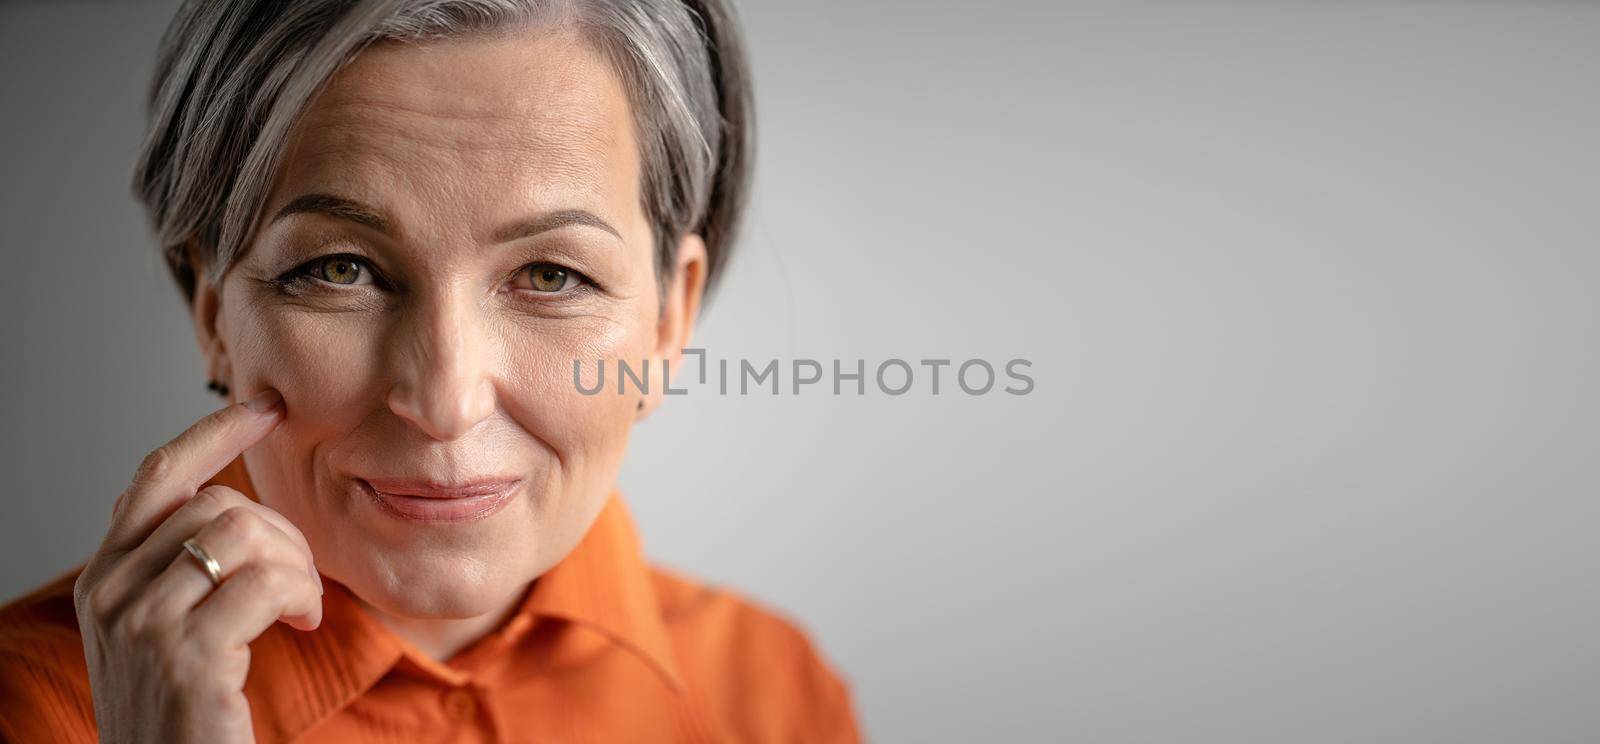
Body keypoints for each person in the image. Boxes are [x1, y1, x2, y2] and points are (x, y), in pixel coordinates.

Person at [0, 1, 862, 741]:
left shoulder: (774, 696)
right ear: (214, 312)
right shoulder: (30, 706)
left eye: (551, 276)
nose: (444, 404)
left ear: (669, 320)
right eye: (341, 269)